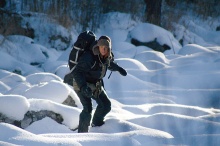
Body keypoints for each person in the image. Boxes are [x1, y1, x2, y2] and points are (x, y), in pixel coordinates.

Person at [72, 35, 127, 133]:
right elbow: (77, 72)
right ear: (98, 46)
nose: (104, 50)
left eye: (106, 48)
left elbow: (108, 63)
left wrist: (118, 69)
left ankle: (96, 127)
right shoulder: (89, 57)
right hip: (81, 83)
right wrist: (83, 87)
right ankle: (81, 135)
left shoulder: (105, 57)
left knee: (105, 105)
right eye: (102, 47)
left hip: (95, 85)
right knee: (88, 108)